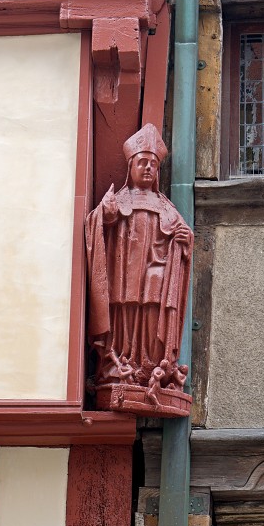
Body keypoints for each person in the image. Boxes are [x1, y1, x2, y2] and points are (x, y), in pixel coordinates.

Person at [85, 124, 192, 397]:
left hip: (153, 275)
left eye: (153, 165)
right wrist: (105, 214)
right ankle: (120, 361)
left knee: (150, 314)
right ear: (131, 166)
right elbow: (96, 225)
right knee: (123, 314)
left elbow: (183, 237)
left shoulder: (165, 206)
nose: (148, 168)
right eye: (142, 162)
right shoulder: (119, 200)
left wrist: (184, 238)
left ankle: (148, 364)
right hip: (122, 273)